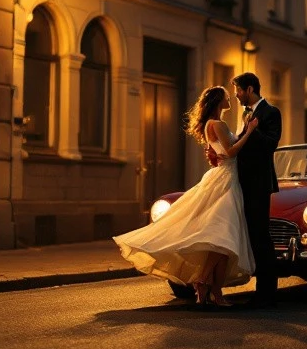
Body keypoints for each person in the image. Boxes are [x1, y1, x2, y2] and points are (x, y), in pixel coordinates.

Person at [113, 86, 258, 307]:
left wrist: (242, 131)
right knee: (224, 237)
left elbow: (222, 149)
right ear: (219, 101)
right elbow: (230, 152)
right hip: (225, 181)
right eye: (227, 97)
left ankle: (214, 292)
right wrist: (249, 132)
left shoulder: (212, 124)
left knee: (221, 242)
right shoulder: (218, 124)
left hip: (226, 177)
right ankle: (204, 283)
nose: (230, 99)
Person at [229, 72, 283, 308]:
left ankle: (267, 292)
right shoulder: (247, 114)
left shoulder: (271, 112)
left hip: (259, 183)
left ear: (249, 89)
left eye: (239, 91)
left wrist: (253, 129)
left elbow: (271, 144)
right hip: (245, 182)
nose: (237, 95)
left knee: (261, 236)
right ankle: (260, 290)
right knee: (253, 235)